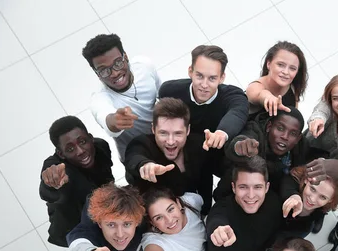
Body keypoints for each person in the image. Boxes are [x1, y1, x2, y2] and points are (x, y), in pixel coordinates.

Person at [158, 45, 249, 214]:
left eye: (212, 78)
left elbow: (238, 112)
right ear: (190, 71)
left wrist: (221, 133)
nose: (204, 85)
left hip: (216, 155)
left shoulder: (232, 95)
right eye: (199, 76)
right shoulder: (170, 90)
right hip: (186, 155)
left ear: (222, 78)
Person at [82, 33, 161, 160]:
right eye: (104, 70)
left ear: (126, 57)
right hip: (139, 156)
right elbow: (104, 115)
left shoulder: (144, 66)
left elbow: (161, 93)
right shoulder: (99, 98)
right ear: (97, 74)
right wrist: (115, 121)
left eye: (118, 63)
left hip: (166, 139)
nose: (115, 73)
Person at [40, 116, 114, 247]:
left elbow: (107, 176)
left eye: (83, 141)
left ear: (90, 138)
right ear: (61, 154)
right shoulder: (57, 167)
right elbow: (48, 192)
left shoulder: (101, 147)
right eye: (70, 149)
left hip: (102, 212)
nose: (80, 151)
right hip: (75, 227)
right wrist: (52, 184)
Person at [215, 107, 308, 199]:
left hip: (273, 196)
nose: (285, 137)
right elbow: (241, 140)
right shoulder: (255, 130)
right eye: (280, 128)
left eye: (293, 134)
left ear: (298, 138)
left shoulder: (301, 146)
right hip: (237, 196)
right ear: (269, 126)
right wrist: (240, 147)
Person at [123, 98, 201, 196]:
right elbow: (134, 156)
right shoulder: (142, 143)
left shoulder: (198, 145)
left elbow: (206, 182)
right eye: (163, 133)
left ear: (188, 130)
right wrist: (145, 165)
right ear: (153, 129)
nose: (171, 141)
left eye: (178, 133)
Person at [246, 41, 309, 117]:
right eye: (280, 65)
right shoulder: (255, 86)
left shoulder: (293, 89)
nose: (286, 72)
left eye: (292, 68)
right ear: (268, 64)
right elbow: (260, 94)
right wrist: (269, 98)